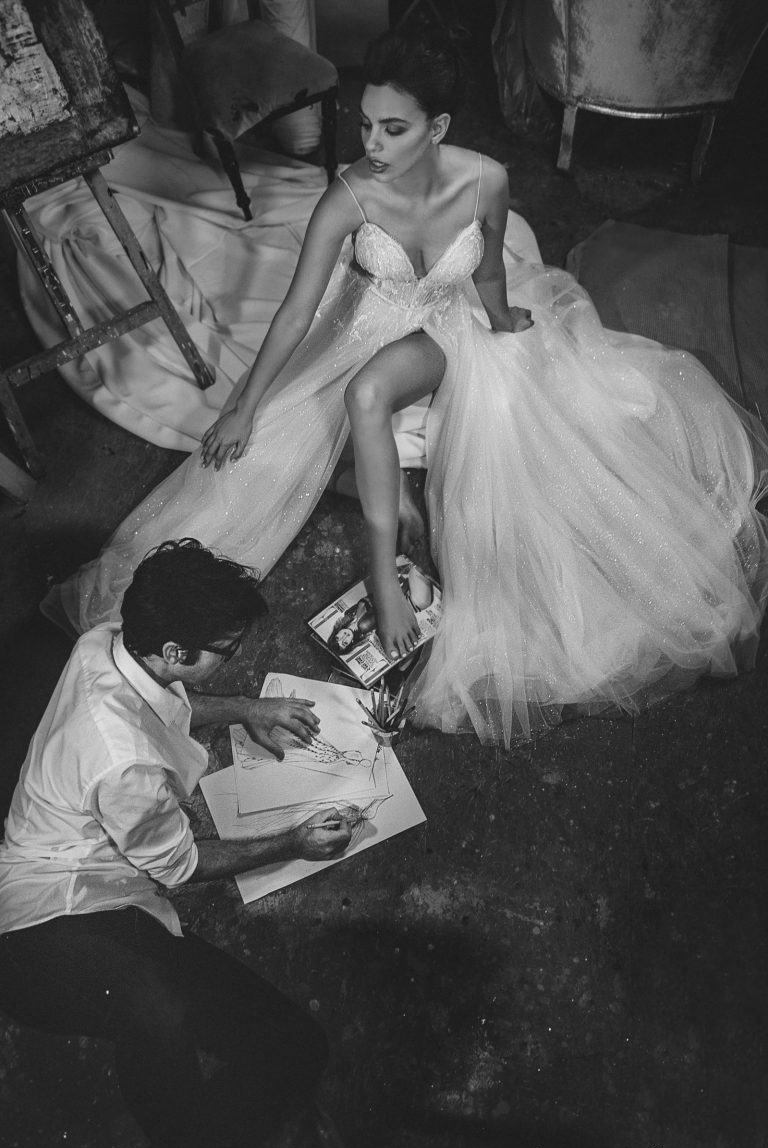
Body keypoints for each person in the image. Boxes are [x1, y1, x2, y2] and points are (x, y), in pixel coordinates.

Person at [42, 30, 768, 747]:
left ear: (438, 127)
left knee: (412, 407)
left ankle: (385, 570)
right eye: (364, 124)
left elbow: (488, 270)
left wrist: (505, 321)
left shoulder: (485, 180)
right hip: (362, 324)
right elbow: (296, 311)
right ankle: (380, 509)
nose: (372, 143)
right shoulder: (349, 194)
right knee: (269, 450)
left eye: (393, 129)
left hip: (445, 327)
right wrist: (242, 404)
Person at [1, 539, 353, 1148]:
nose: (236, 656)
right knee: (267, 1042)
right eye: (228, 650)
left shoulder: (104, 642)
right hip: (49, 921)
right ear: (174, 650)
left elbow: (162, 703)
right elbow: (183, 864)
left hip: (60, 861)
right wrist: (293, 841)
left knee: (165, 1019)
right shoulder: (126, 767)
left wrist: (246, 707)